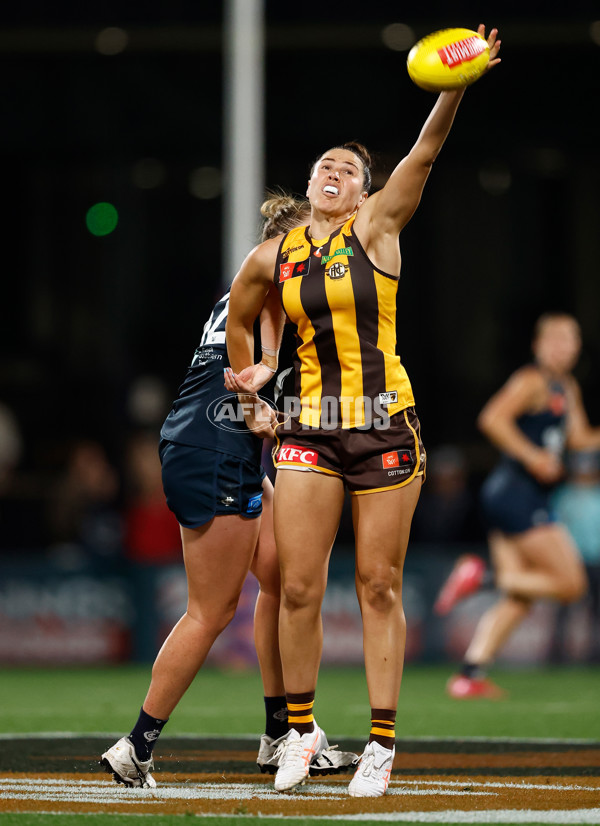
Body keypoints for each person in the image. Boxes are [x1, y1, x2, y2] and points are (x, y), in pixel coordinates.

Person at [224, 25, 501, 798]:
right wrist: (252, 390)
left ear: (362, 188)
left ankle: (380, 744)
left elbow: (425, 154)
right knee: (300, 587)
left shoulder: (377, 227)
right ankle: (301, 737)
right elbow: (239, 320)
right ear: (310, 184)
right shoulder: (273, 256)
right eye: (325, 164)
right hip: (309, 427)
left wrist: (454, 86)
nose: (334, 170)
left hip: (383, 422)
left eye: (349, 167)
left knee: (378, 584)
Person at [101, 194, 356, 788]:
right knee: (211, 609)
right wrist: (254, 407)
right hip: (213, 450)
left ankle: (283, 732)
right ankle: (136, 746)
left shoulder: (252, 285)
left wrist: (256, 409)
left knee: (280, 573)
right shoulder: (274, 281)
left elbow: (251, 364)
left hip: (210, 446)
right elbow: (247, 374)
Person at [436, 313, 600, 698]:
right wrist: (533, 457)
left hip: (512, 496)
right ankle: (483, 578)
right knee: (572, 584)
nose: (565, 346)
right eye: (556, 338)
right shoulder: (532, 380)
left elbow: (579, 439)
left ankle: (469, 675)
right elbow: (492, 419)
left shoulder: (566, 386)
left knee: (521, 598)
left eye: (571, 339)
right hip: (516, 494)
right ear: (538, 345)